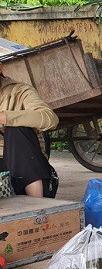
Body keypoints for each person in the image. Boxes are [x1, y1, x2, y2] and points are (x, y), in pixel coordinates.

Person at [0, 62, 59, 198]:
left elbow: (50, 119)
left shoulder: (20, 91)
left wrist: (6, 117)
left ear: (0, 67)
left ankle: (36, 209)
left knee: (17, 130)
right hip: (2, 182)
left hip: (24, 170)